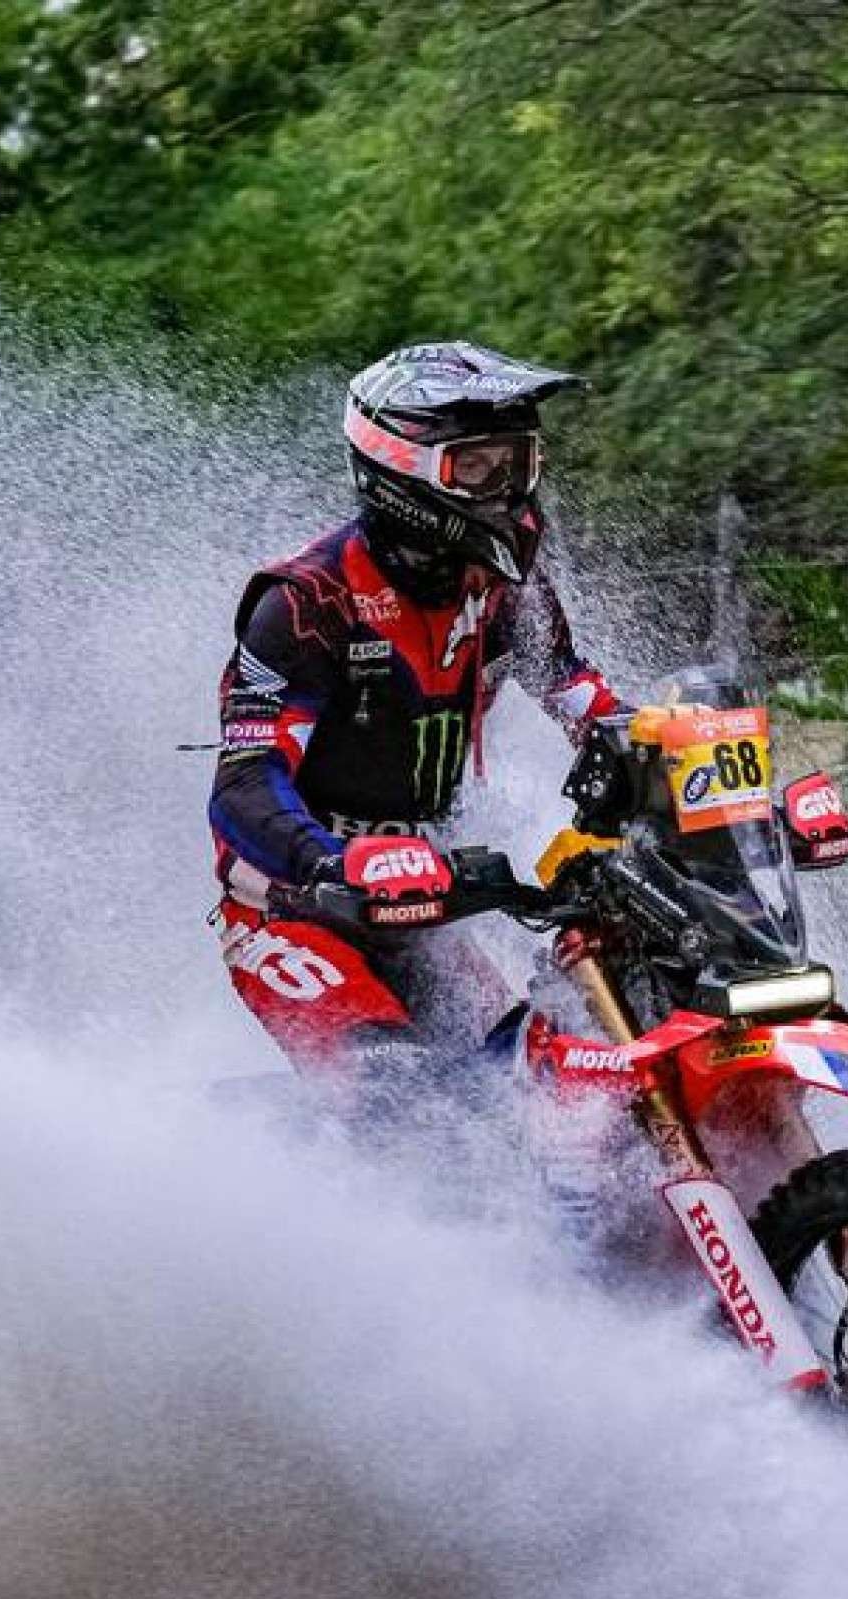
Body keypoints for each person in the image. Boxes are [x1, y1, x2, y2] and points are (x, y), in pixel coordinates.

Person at [208, 341, 622, 1075]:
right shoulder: (306, 602)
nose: (507, 488)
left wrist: (688, 763)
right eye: (479, 466)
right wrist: (332, 861)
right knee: (399, 1100)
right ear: (399, 467)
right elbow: (243, 785)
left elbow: (576, 692)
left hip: (427, 911)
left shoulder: (504, 585)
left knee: (534, 1081)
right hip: (295, 913)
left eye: (518, 462)